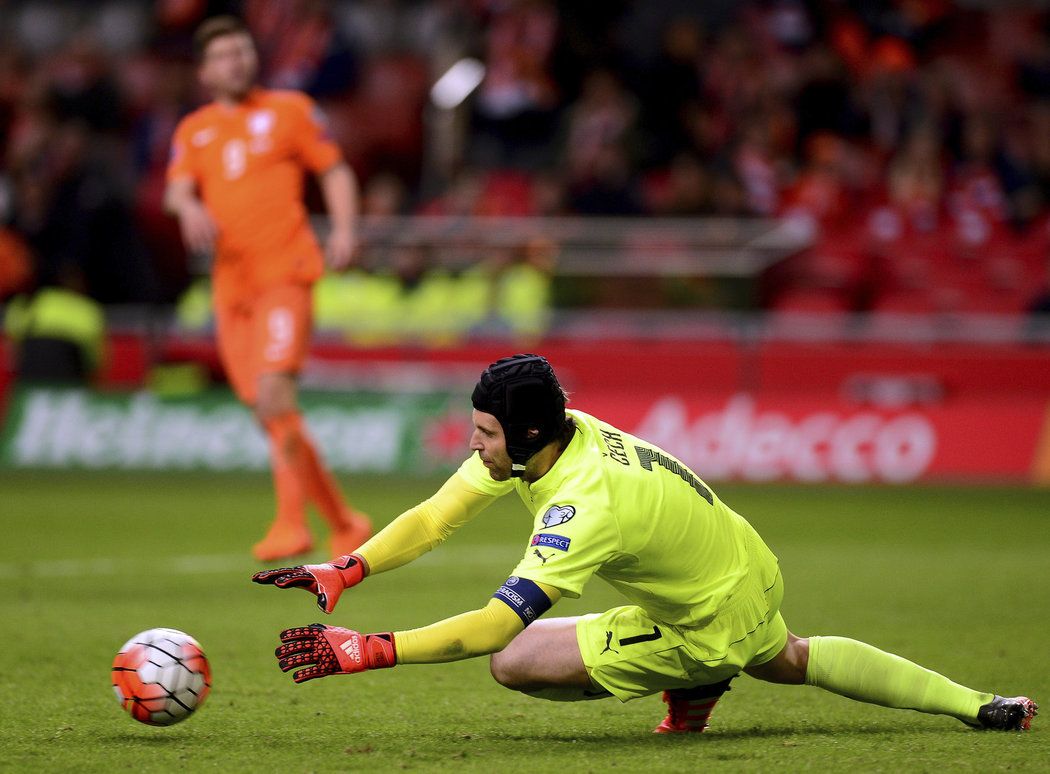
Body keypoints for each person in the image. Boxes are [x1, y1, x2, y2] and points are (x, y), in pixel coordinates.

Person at [253, 354, 1037, 733]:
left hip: (707, 616)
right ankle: (978, 706)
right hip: (744, 565)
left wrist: (372, 649)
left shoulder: (583, 504)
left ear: (526, 433)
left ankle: (697, 674)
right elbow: (437, 515)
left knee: (510, 663)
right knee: (790, 658)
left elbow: (497, 626)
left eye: (485, 433)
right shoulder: (562, 432)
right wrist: (349, 568)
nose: (473, 443)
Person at [164, 16, 371, 561]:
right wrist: (188, 208)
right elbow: (177, 191)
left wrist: (346, 228)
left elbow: (335, 170)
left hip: (286, 273)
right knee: (264, 407)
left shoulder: (291, 111)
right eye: (225, 55)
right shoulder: (194, 129)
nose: (238, 61)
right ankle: (346, 521)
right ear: (205, 71)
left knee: (276, 396)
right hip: (231, 289)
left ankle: (290, 524)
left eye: (243, 51)